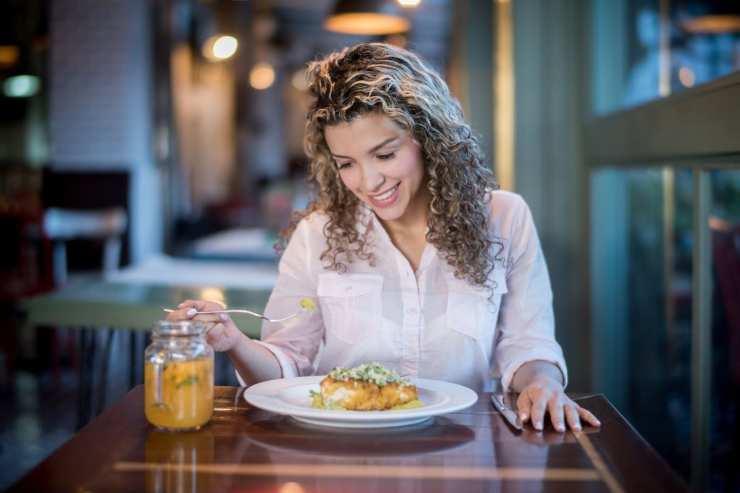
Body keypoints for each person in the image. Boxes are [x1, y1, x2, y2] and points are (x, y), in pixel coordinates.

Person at [167, 42, 600, 432]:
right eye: (346, 163)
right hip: (338, 455)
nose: (368, 181)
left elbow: (528, 343)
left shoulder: (505, 218)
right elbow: (286, 368)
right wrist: (235, 342)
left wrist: (542, 384)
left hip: (462, 449)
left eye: (385, 154)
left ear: (430, 138)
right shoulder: (317, 234)